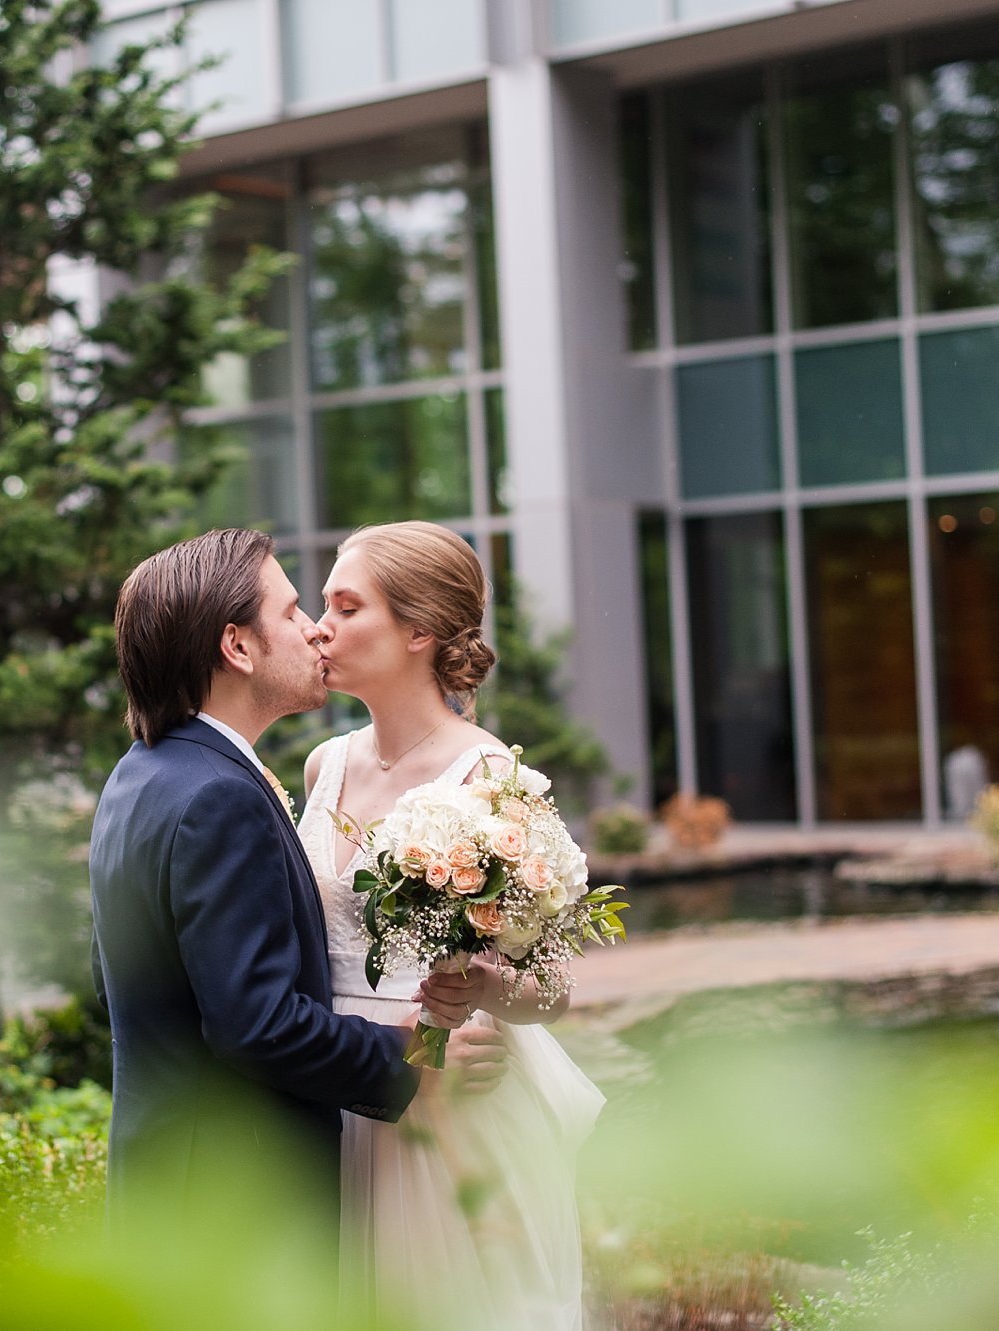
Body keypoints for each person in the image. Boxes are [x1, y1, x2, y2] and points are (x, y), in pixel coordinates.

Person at [88, 527, 506, 1265]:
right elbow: (257, 1023)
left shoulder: (143, 774)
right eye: (290, 612)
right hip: (235, 1207)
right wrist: (414, 1058)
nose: (314, 629)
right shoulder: (221, 795)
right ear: (238, 647)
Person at [301, 521, 605, 1330]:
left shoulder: (493, 778)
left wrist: (488, 987)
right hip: (346, 1090)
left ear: (418, 631)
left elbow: (555, 988)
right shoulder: (322, 765)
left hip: (456, 1106)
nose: (317, 622)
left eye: (345, 603)